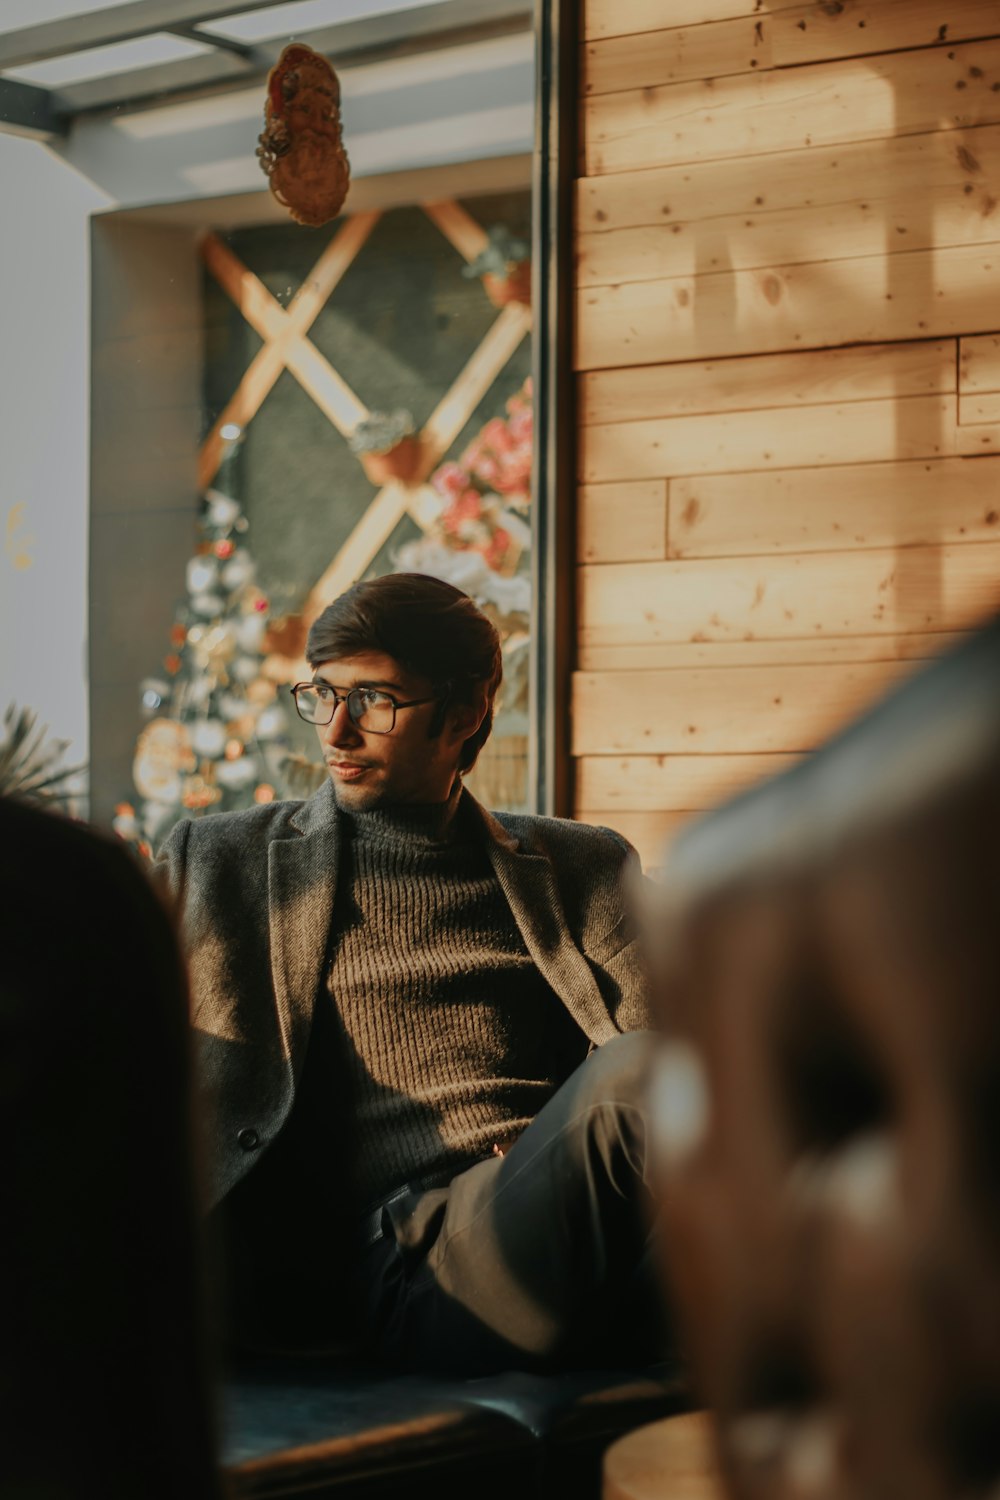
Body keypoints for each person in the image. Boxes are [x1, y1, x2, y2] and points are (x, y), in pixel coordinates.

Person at [157, 572, 665, 1374]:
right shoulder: (222, 862)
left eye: (374, 701)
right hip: (404, 1268)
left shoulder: (581, 866)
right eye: (321, 694)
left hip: (565, 1219)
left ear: (462, 717)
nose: (337, 731)